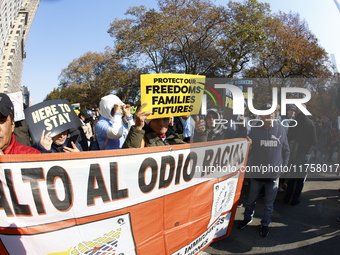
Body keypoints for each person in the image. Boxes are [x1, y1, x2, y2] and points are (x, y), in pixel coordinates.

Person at [237, 103, 290, 237]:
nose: (270, 115)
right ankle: (247, 218)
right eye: (266, 113)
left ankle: (265, 223)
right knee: (250, 200)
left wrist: (283, 168)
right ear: (261, 115)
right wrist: (247, 144)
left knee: (268, 204)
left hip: (273, 176)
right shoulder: (254, 130)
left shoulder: (281, 130)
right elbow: (250, 150)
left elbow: (286, 150)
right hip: (257, 175)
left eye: (272, 112)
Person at [122, 103, 206, 148]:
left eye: (165, 118)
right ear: (148, 122)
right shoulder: (143, 140)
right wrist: (138, 127)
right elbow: (128, 157)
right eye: (156, 119)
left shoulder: (174, 138)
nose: (161, 123)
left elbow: (197, 152)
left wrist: (200, 133)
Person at [284, 104, 317, 205]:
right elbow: (314, 141)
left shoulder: (294, 122)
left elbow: (288, 137)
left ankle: (287, 197)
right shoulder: (310, 123)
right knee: (300, 178)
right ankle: (296, 198)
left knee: (292, 176)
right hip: (305, 153)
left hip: (294, 152)